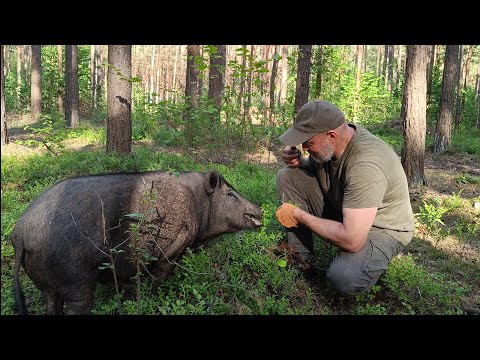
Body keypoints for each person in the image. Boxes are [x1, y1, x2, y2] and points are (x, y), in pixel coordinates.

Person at [275, 100, 414, 296]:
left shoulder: (366, 163)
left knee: (344, 277)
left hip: (381, 228)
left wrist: (299, 215)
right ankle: (300, 260)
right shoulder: (334, 143)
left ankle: (374, 260)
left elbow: (352, 240)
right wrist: (299, 161)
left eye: (309, 142)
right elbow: (323, 167)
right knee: (288, 175)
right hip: (345, 208)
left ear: (331, 136)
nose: (304, 147)